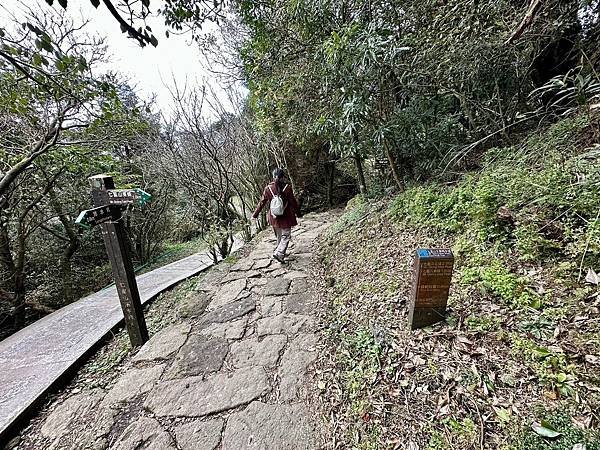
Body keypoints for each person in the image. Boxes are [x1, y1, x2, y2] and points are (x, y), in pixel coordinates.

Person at [252, 168, 300, 263]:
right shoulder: (287, 188)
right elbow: (293, 202)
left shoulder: (268, 188)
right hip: (286, 216)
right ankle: (279, 253)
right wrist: (298, 213)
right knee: (285, 235)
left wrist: (255, 215)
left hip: (274, 217)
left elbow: (262, 203)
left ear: (273, 176)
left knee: (279, 235)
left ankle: (279, 251)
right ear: (283, 177)